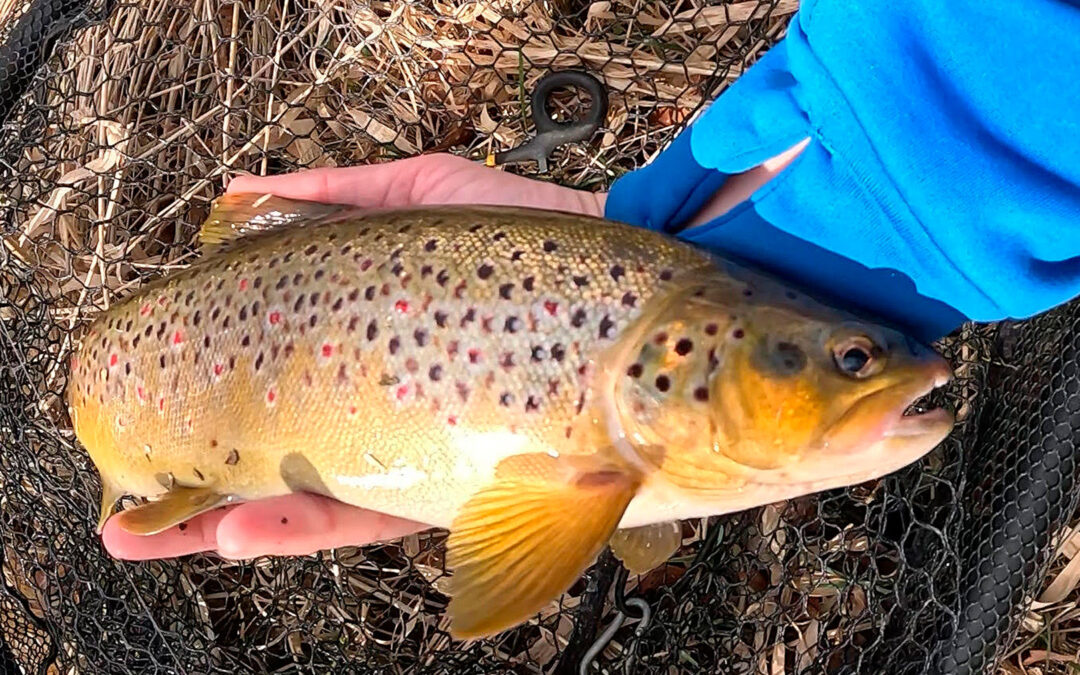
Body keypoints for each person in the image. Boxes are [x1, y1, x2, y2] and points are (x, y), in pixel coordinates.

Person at [102, 0, 1080, 562]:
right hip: (155, 390)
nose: (913, 368)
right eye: (851, 357)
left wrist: (883, 185)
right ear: (672, 359)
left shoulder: (666, 331)